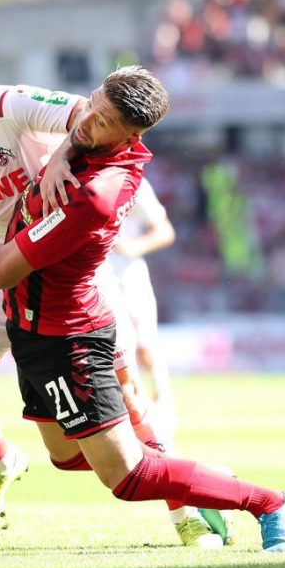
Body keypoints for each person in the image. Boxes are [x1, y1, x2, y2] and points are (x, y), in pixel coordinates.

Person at [0, 45, 228, 547]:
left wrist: (62, 153)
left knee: (127, 400)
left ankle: (185, 509)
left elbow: (88, 114)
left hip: (64, 274)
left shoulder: (13, 105)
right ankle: (0, 461)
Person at [0, 65, 285, 552]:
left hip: (69, 340)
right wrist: (62, 152)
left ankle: (270, 503)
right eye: (94, 102)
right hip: (30, 334)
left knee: (127, 477)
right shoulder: (95, 135)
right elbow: (82, 124)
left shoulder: (94, 197)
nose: (89, 120)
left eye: (103, 121)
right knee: (63, 455)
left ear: (129, 135)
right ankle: (195, 479)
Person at [106, 177, 179, 451]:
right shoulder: (74, 171)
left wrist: (134, 247)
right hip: (94, 280)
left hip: (128, 277)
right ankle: (131, 418)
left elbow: (164, 230)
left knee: (145, 347)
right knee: (114, 353)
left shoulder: (131, 181)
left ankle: (165, 405)